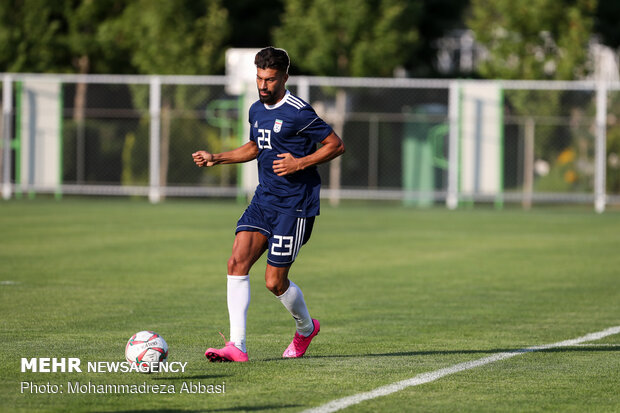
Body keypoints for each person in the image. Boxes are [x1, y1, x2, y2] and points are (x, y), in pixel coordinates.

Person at [192, 47, 345, 362]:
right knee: (236, 263)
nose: (264, 85)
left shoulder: (299, 112)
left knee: (274, 282)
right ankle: (237, 346)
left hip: (295, 206)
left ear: (285, 78)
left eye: (271, 80)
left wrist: (300, 162)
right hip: (264, 199)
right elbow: (254, 146)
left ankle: (305, 329)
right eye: (260, 78)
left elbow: (335, 144)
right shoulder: (256, 109)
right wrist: (216, 157)